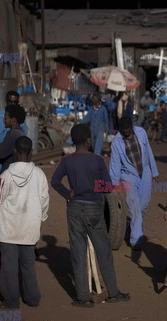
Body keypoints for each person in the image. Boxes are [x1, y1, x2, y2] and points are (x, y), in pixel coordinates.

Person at [51, 124, 130, 307]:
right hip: (93, 210)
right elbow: (107, 187)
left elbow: (55, 182)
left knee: (78, 253)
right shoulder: (97, 160)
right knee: (103, 252)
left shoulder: (66, 161)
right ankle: (113, 293)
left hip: (74, 209)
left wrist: (68, 194)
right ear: (88, 140)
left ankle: (83, 297)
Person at [0, 136, 49, 309]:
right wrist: (40, 218)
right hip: (29, 229)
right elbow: (45, 200)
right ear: (31, 153)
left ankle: (11, 301)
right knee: (28, 266)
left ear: (15, 151)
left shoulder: (6, 175)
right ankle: (32, 298)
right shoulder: (39, 175)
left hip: (9, 229)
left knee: (9, 268)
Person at [109, 117, 159, 249]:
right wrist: (114, 183)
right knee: (134, 207)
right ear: (120, 129)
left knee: (143, 205)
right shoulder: (116, 142)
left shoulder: (141, 132)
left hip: (146, 172)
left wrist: (154, 172)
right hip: (128, 176)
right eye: (123, 130)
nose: (126, 132)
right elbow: (114, 164)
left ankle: (134, 227)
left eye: (128, 129)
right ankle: (136, 240)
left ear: (132, 126)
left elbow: (148, 151)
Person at [0, 104, 27, 171]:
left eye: (6, 118)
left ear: (13, 120)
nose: (3, 121)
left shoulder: (13, 135)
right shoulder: (20, 132)